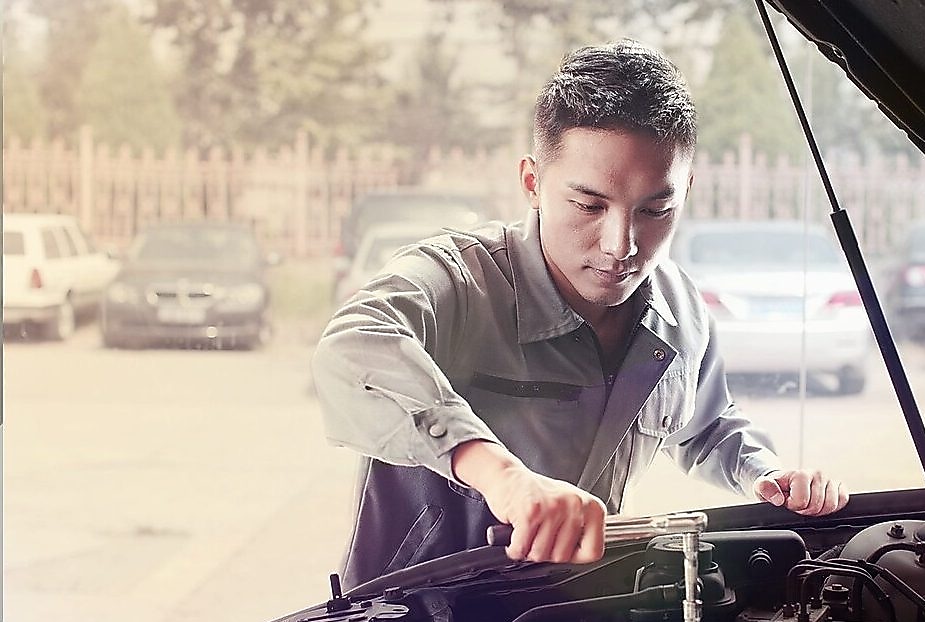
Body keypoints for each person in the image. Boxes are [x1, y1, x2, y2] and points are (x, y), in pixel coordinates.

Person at [313, 39, 849, 586]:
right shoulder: (457, 280)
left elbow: (706, 427)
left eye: (655, 210)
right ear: (533, 183)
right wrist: (502, 477)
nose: (622, 244)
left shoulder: (680, 310)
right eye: (589, 205)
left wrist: (770, 476)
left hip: (568, 620)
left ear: (685, 189)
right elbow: (353, 347)